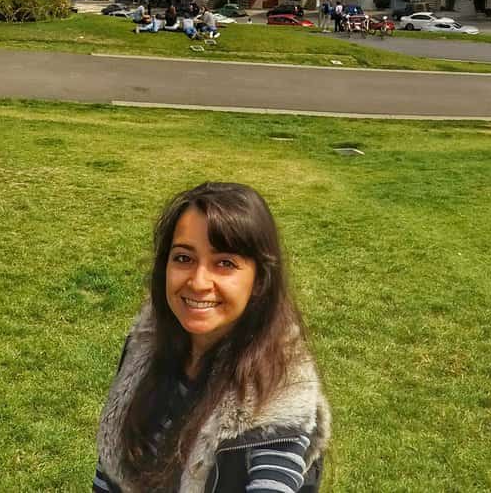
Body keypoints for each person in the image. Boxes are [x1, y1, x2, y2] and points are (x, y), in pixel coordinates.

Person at [94, 182, 330, 492]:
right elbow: (110, 472)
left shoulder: (279, 393)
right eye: (183, 258)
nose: (199, 281)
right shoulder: (145, 347)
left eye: (225, 263)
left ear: (259, 280)